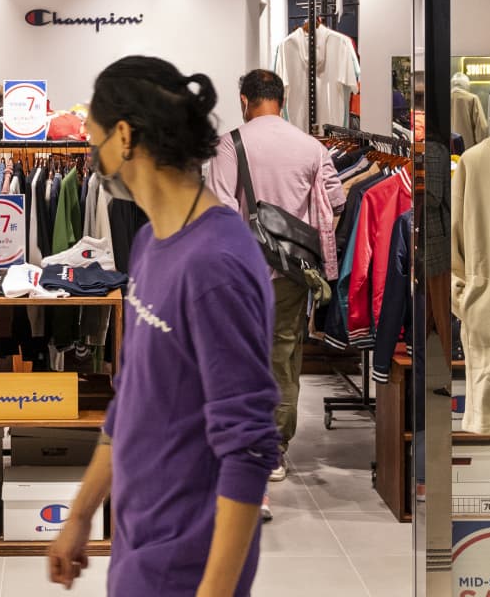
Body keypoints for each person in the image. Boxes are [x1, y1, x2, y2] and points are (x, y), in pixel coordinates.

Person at [47, 57, 280, 597]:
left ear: (124, 137)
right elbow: (132, 399)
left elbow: (248, 448)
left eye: (95, 140)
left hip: (189, 565)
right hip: (139, 544)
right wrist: (80, 515)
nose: (93, 156)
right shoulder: (151, 241)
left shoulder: (216, 264)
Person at [206, 69, 344, 503]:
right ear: (282, 100)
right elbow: (336, 202)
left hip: (242, 273)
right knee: (283, 355)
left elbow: (219, 209)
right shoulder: (312, 147)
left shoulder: (231, 144)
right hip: (293, 273)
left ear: (244, 100)